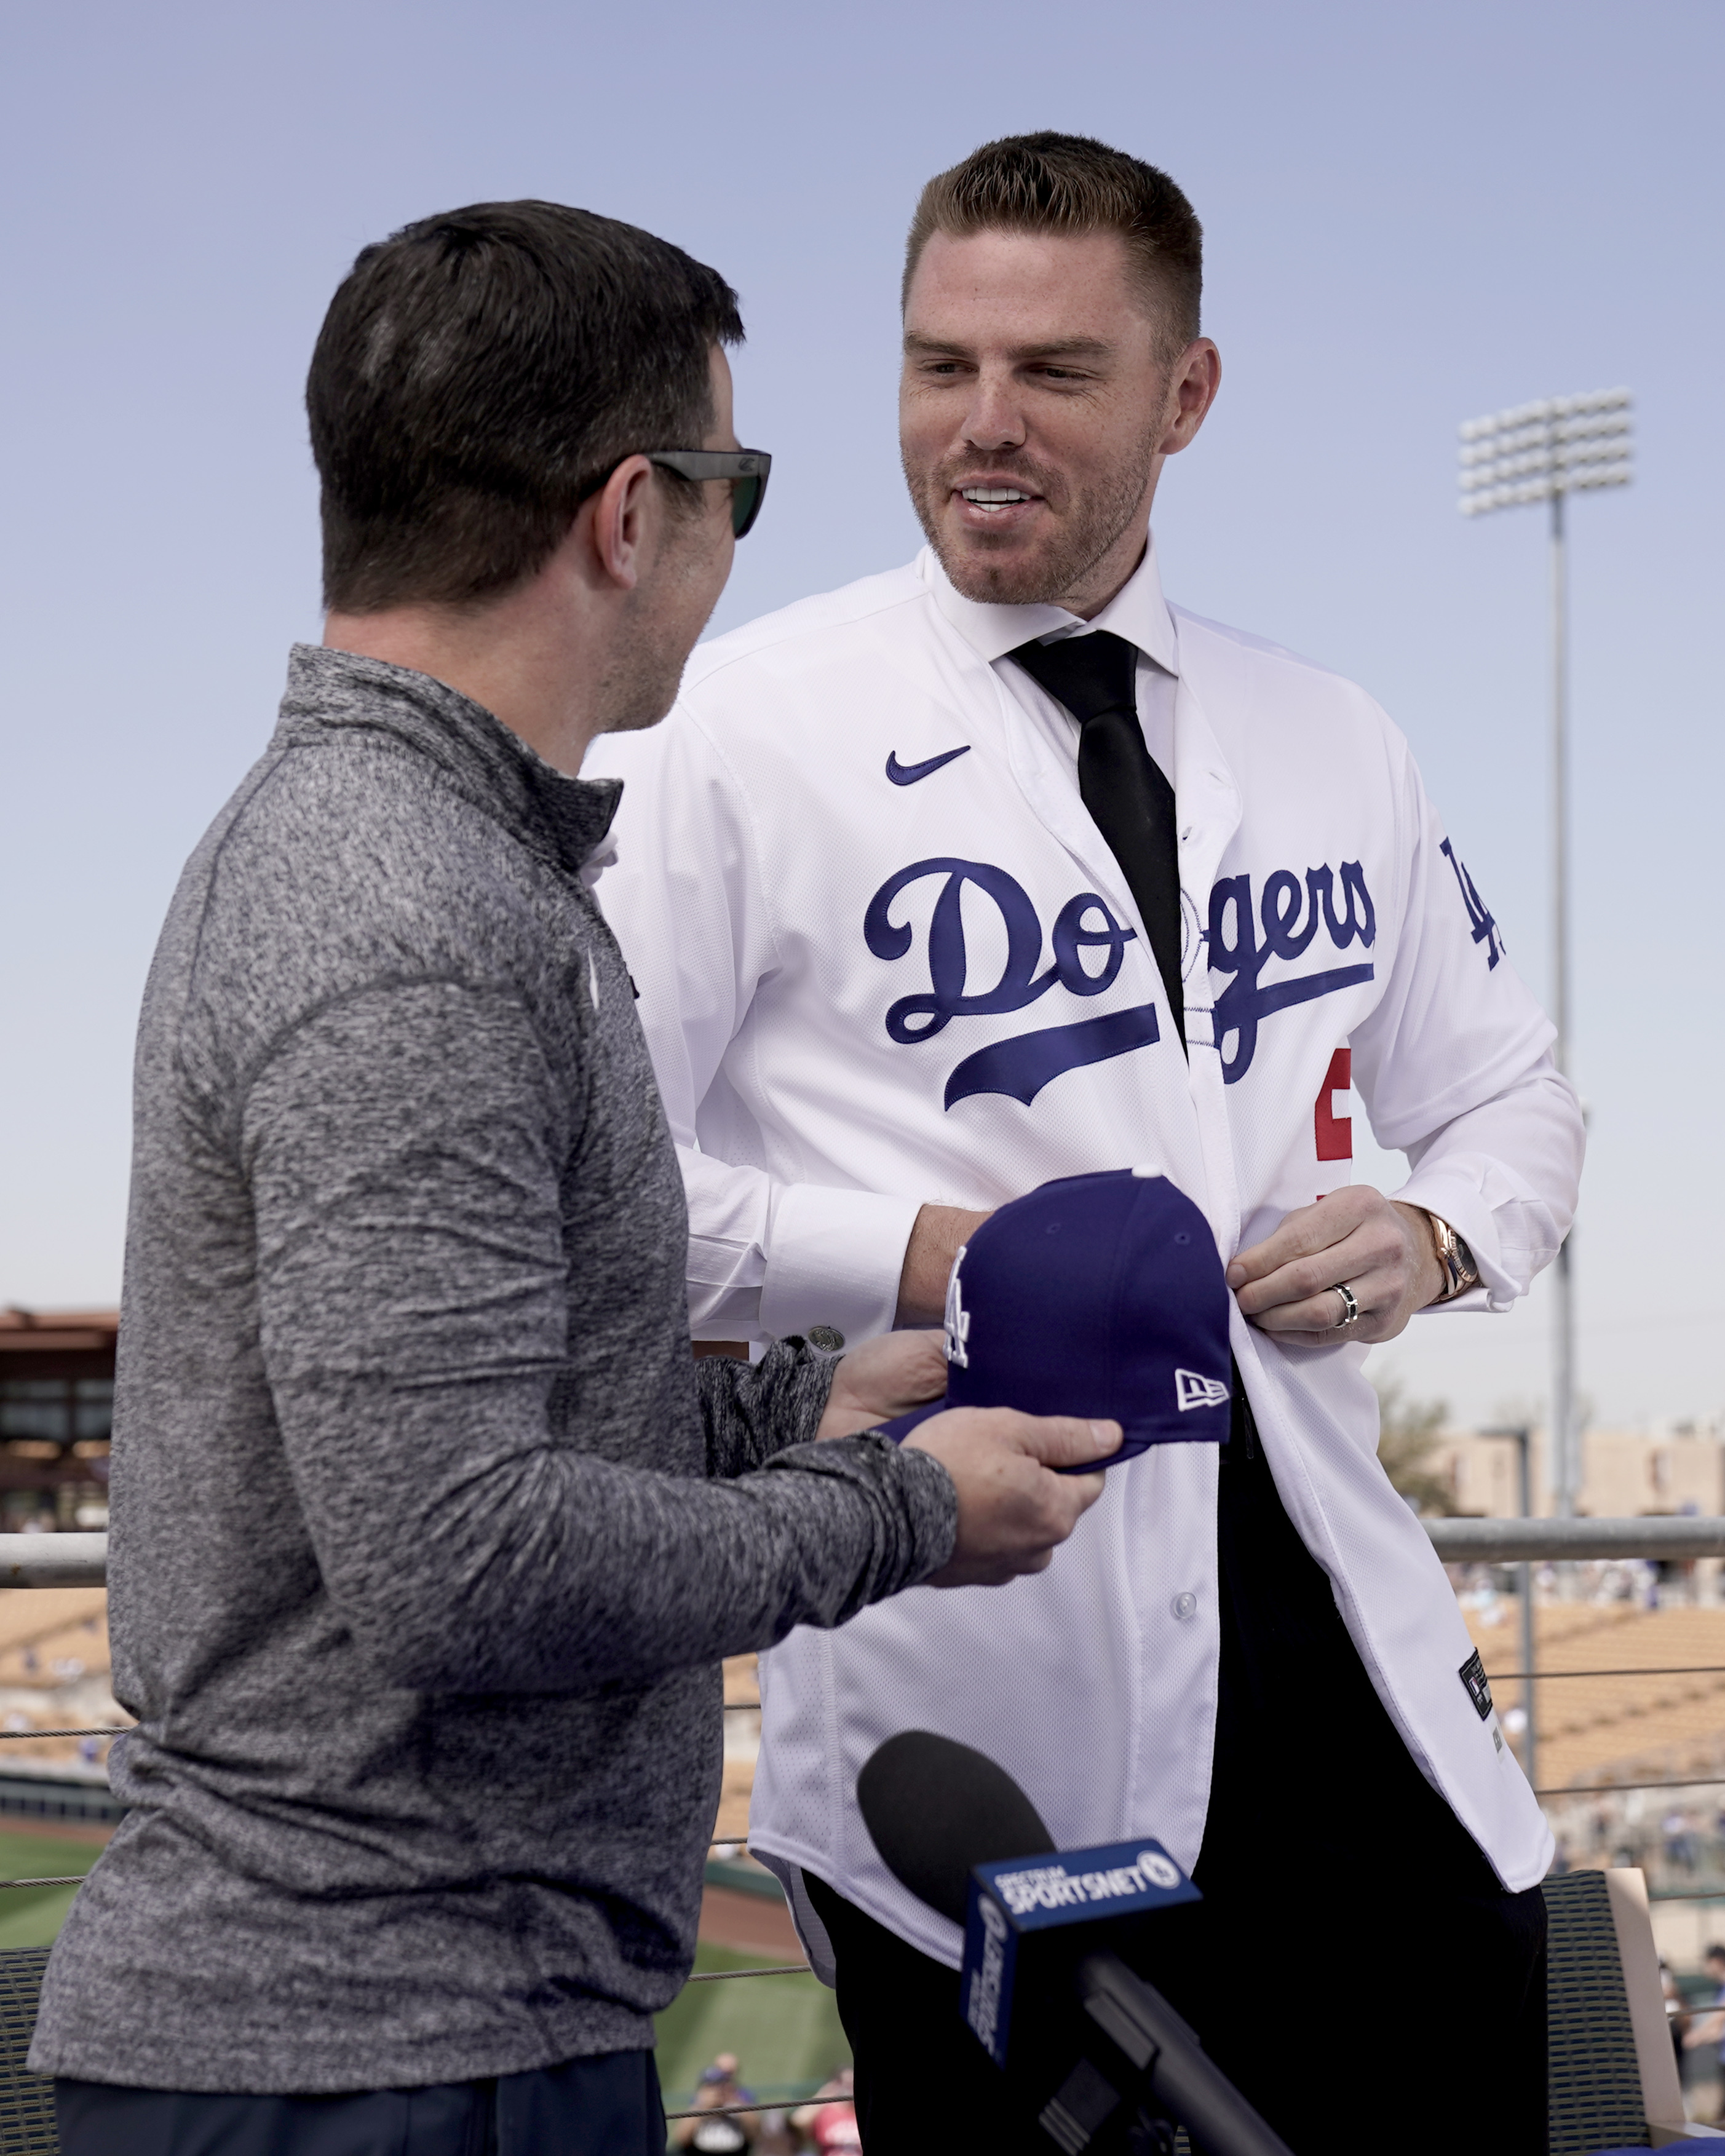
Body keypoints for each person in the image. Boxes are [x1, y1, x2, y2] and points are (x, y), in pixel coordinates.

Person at [26, 199, 1112, 2155]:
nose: (727, 540)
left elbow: (496, 1428)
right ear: (631, 513)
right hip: (385, 2052)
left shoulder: (428, 855)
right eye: (737, 485)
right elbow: (460, 1560)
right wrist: (888, 1515)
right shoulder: (412, 908)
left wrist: (802, 1398)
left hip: (408, 2038)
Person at [587, 134, 1584, 2154]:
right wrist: (933, 1248)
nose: (981, 428)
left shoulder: (1333, 733)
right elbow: (595, 1209)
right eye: (937, 366)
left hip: (1360, 1680)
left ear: (1185, 397)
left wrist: (1435, 1230)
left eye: (1051, 372)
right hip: (985, 1702)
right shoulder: (733, 729)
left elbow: (1520, 1098)